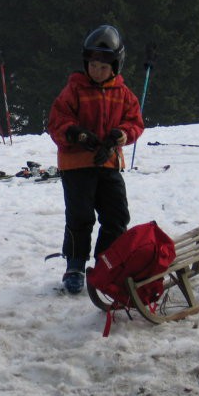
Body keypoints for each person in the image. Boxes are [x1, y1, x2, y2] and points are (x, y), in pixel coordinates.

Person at [47, 25, 144, 294]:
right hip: (77, 166)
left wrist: (122, 136)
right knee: (80, 217)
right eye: (92, 65)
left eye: (103, 67)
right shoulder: (74, 89)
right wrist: (76, 134)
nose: (97, 71)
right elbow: (57, 121)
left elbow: (135, 122)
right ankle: (75, 265)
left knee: (117, 216)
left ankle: (106, 263)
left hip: (108, 163)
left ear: (115, 66)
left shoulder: (123, 93)